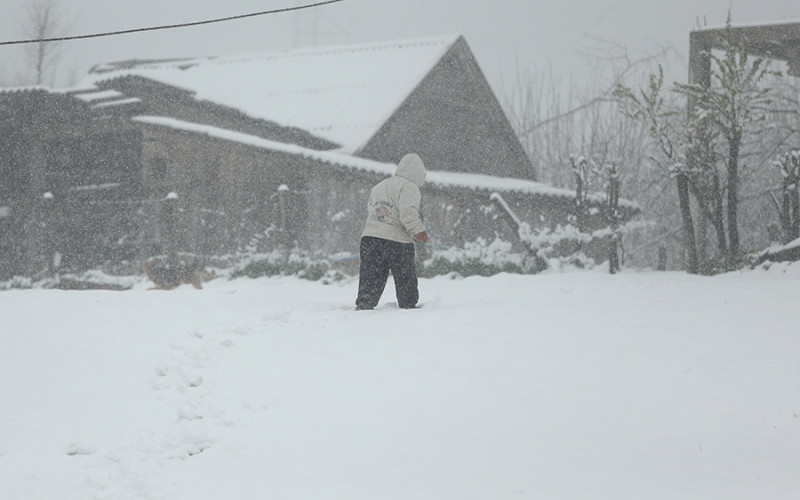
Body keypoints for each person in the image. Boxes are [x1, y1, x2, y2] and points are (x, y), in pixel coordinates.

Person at [355, 153, 429, 310]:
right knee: (405, 277)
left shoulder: (379, 186)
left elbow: (372, 211)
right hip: (397, 241)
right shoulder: (409, 187)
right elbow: (407, 213)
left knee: (371, 275)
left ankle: (365, 303)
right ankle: (408, 304)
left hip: (370, 238)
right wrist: (419, 230)